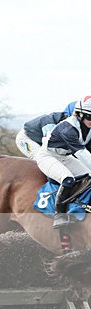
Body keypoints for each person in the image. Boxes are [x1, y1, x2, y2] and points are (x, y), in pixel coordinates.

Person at [34, 95, 91, 229]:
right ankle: (59, 215)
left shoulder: (87, 127)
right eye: (89, 117)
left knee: (89, 175)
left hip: (64, 157)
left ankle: (79, 205)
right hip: (48, 156)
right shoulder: (68, 128)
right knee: (67, 179)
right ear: (79, 115)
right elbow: (82, 154)